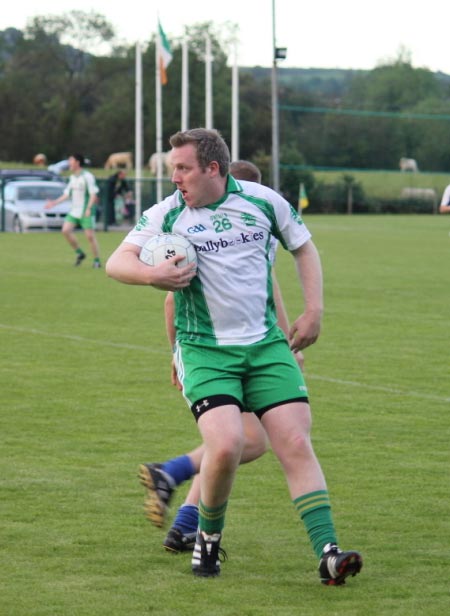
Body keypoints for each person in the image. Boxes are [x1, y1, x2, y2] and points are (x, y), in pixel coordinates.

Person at [106, 128, 362, 584]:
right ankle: (207, 540)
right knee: (225, 445)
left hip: (266, 347)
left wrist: (315, 310)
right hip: (205, 350)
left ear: (213, 169)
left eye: (182, 169)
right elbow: (117, 261)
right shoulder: (167, 214)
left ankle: (328, 552)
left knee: (295, 443)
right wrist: (151, 275)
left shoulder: (263, 202)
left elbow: (303, 247)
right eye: (173, 170)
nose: (175, 179)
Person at [139, 160, 305, 554]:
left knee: (237, 442)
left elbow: (270, 293)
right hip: (217, 354)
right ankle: (175, 485)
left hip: (254, 349)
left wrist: (284, 345)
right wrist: (178, 355)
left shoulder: (257, 232)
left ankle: (181, 516)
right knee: (240, 441)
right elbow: (170, 301)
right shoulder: (204, 228)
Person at [46, 154, 101, 268]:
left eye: (71, 160)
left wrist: (89, 208)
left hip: (86, 211)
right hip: (74, 211)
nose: (68, 163)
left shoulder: (87, 176)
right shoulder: (73, 177)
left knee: (90, 237)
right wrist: (54, 203)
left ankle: (96, 261)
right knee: (65, 230)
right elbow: (66, 194)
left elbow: (93, 194)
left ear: (77, 162)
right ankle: (80, 253)